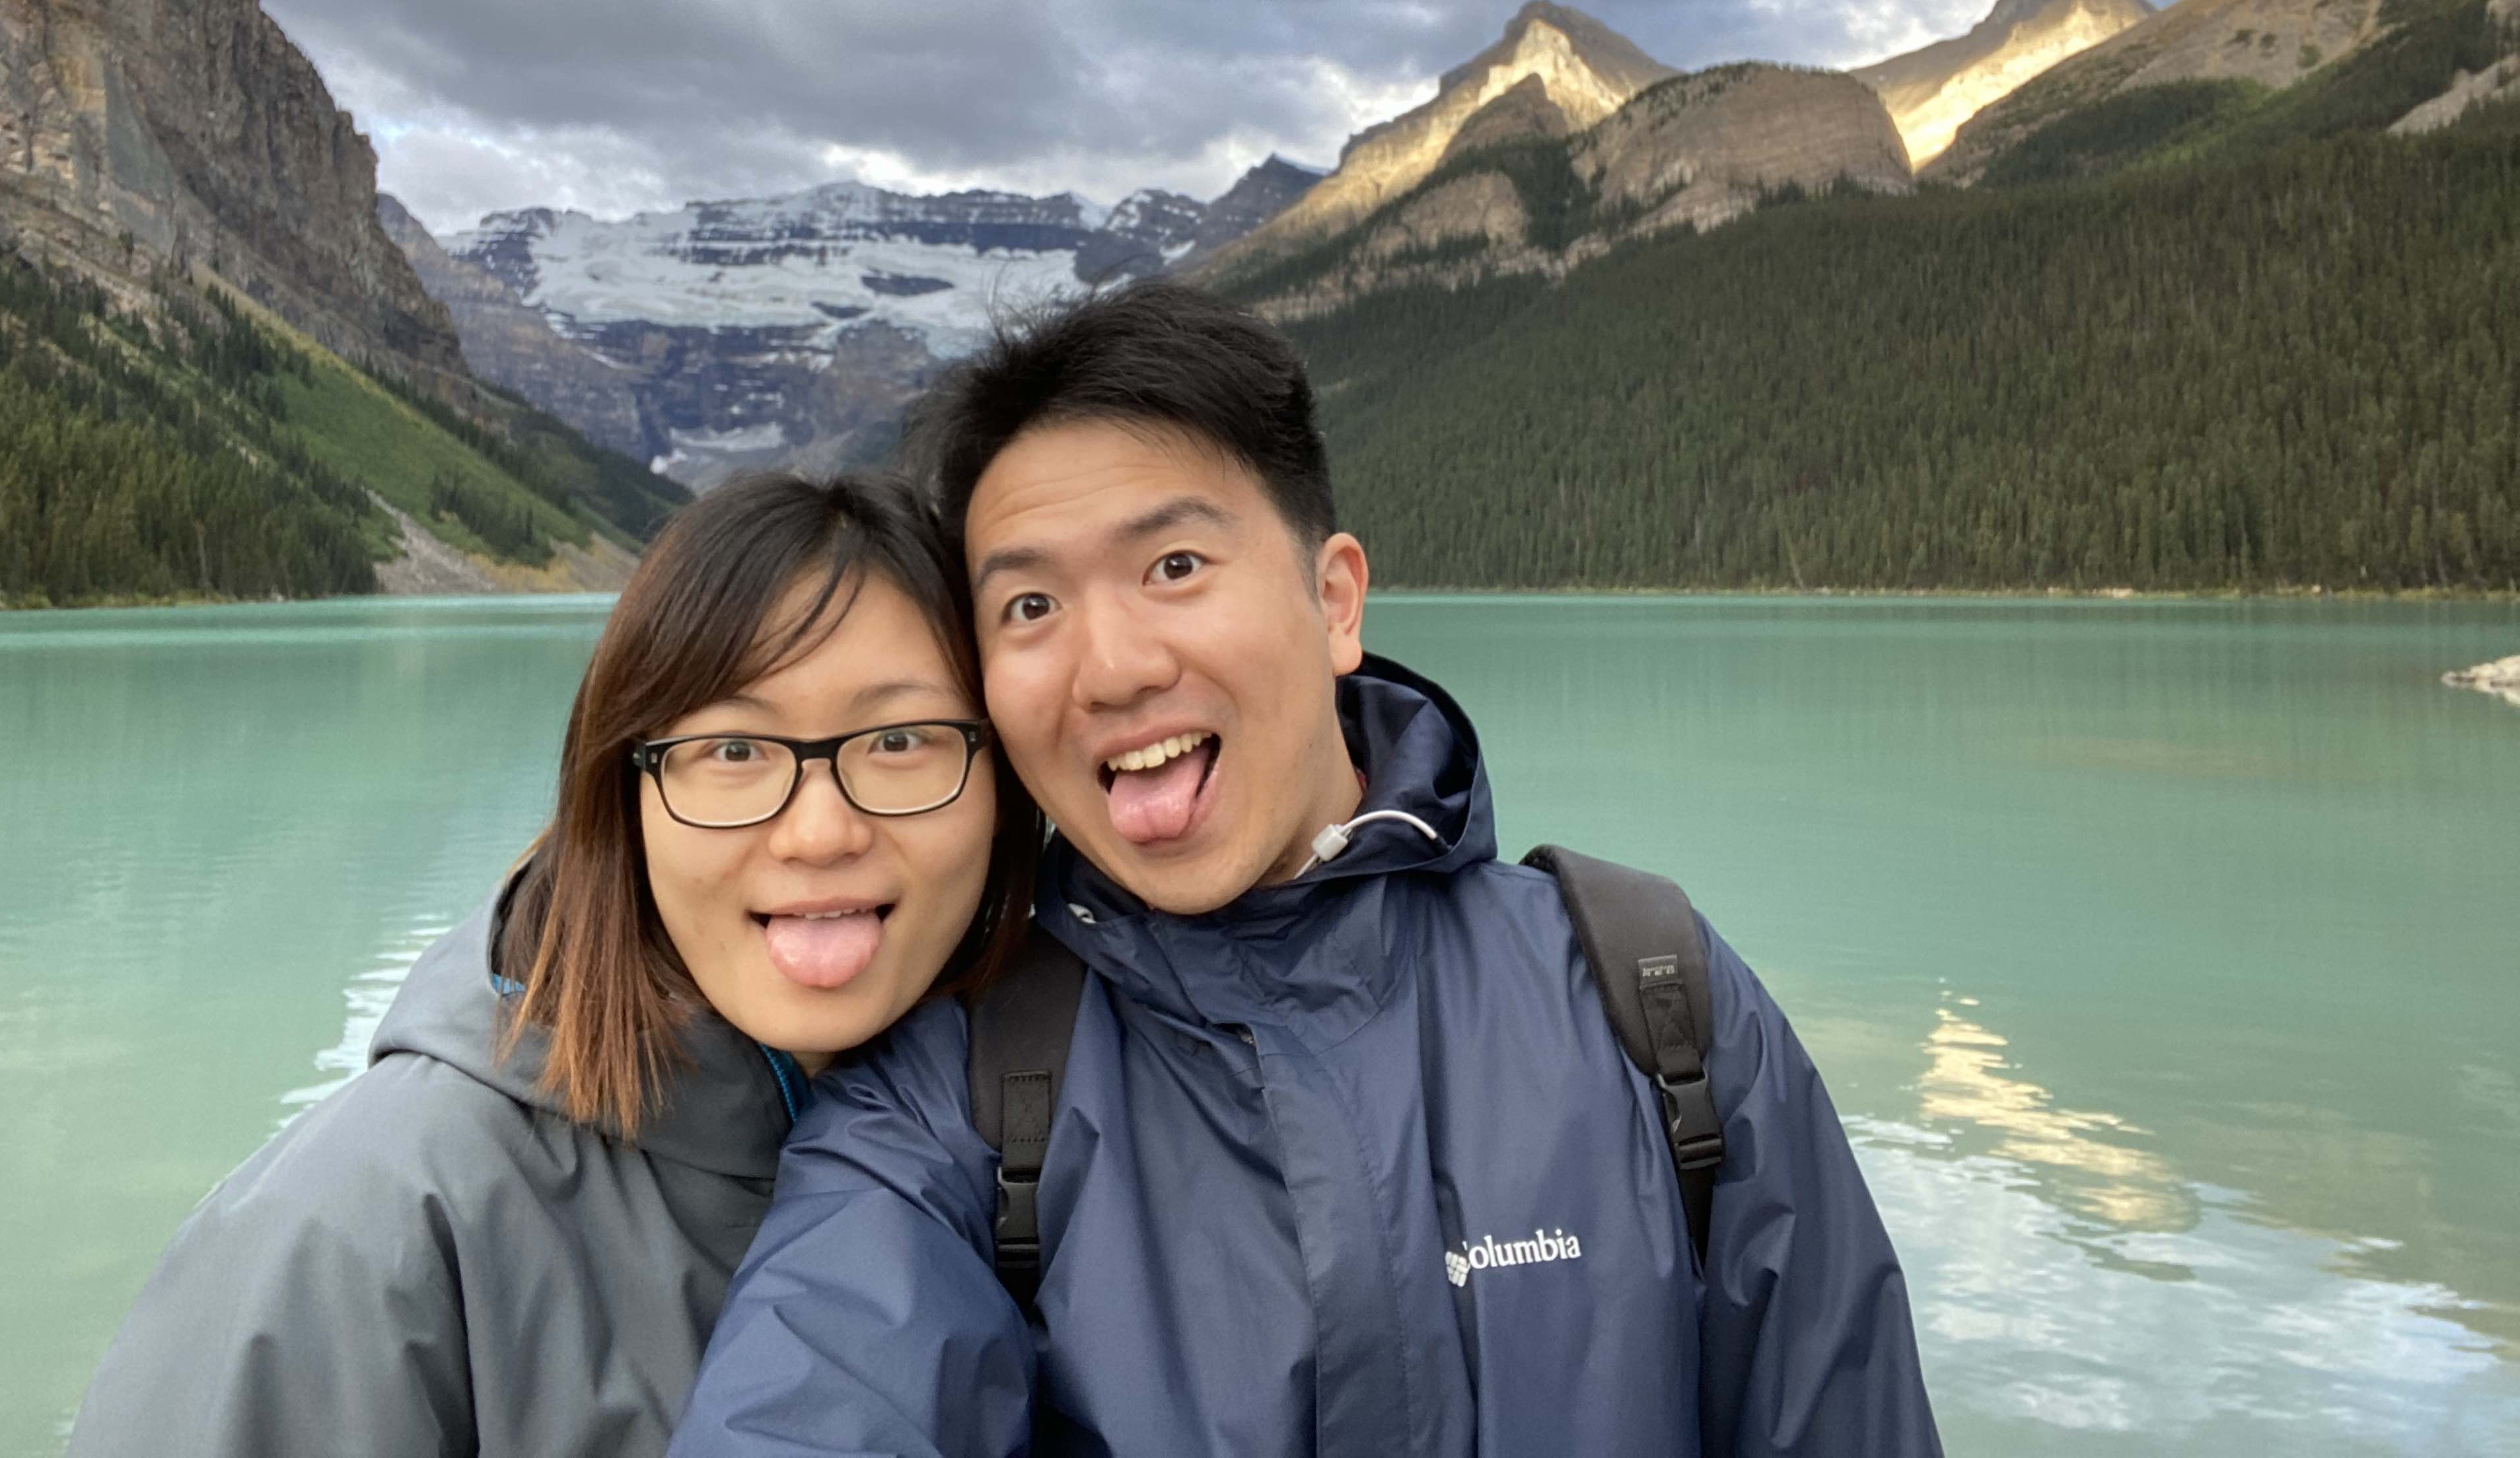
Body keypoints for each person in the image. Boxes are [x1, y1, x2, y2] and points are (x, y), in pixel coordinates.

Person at [675, 281, 1941, 1457]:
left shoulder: (1655, 1001)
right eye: (1030, 608)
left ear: (1335, 602)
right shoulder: (947, 1106)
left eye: (1174, 566)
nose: (1108, 668)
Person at [68, 472, 1044, 1458]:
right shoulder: (363, 1229)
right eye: (735, 750)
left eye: (902, 739)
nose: (822, 830)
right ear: (621, 797)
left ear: (1002, 786)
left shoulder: (1070, 1130)